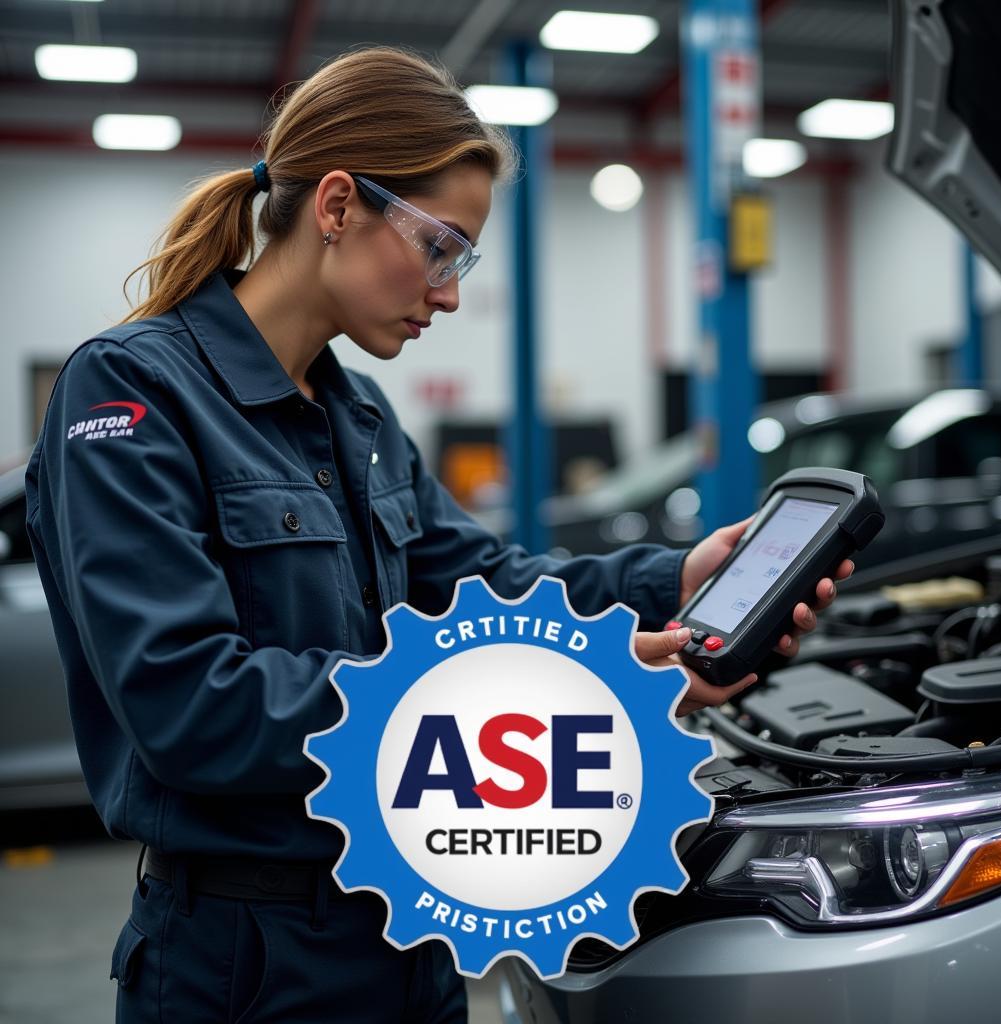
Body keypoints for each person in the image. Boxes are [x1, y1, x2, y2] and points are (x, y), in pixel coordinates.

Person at [24, 46, 851, 1023]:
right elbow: (192, 704)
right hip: (242, 957)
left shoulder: (357, 415)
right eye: (439, 248)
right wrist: (561, 680)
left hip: (407, 935)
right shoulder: (133, 391)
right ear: (337, 205)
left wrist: (673, 581)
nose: (450, 292)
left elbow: (488, 582)